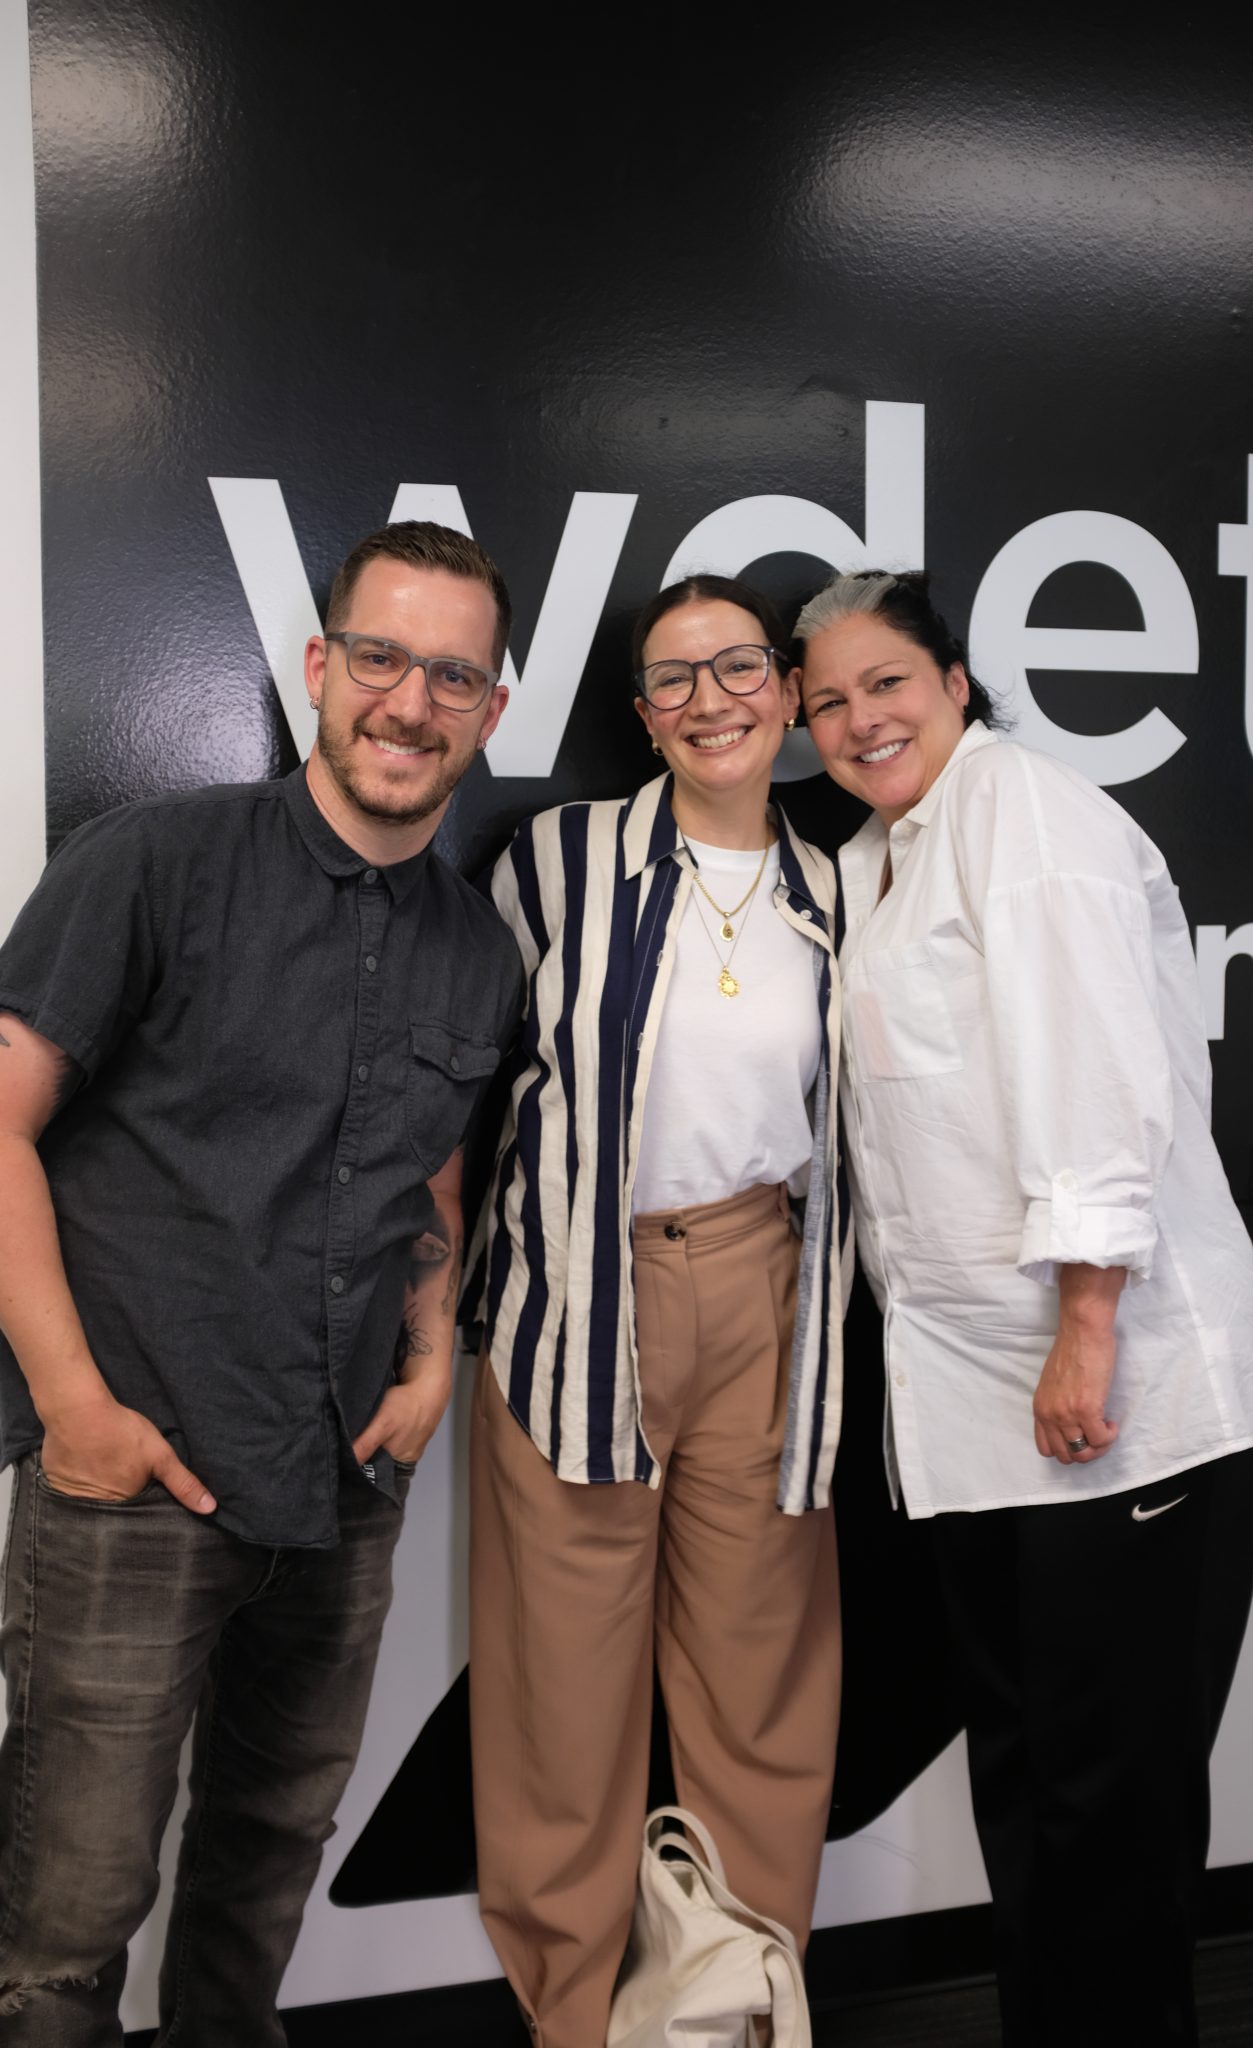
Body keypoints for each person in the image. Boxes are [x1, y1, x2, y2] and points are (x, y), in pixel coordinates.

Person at [0, 521, 522, 2045]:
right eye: (380, 658)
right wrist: (70, 1407)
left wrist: (430, 1359)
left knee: (265, 1866)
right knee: (64, 1915)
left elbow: (429, 1165)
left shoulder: (474, 952)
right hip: (132, 1478)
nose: (408, 704)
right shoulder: (153, 864)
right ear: (318, 668)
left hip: (340, 1479)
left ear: (487, 710)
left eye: (450, 675)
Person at [794, 569, 1253, 2048]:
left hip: (1110, 1400)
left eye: (887, 681)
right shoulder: (891, 852)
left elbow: (1091, 1087)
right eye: (826, 701)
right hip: (977, 1406)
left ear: (954, 680)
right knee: (1028, 1772)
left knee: (1106, 1802)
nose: (858, 718)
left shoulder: (1026, 817)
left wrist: (1084, 1330)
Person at [466, 574, 846, 2047]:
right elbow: (471, 1092)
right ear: (639, 714)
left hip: (767, 1289)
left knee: (759, 1676)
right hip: (575, 1301)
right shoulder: (553, 862)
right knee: (562, 1693)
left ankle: (742, 2001)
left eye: (738, 668)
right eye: (673, 681)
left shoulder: (836, 886)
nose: (711, 702)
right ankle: (572, 2015)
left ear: (787, 690)